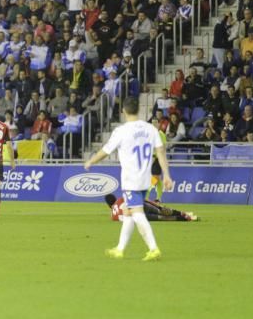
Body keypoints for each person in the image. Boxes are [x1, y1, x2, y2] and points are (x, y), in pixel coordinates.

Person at [84, 97, 174, 261]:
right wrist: (166, 175)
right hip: (145, 179)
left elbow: (105, 151)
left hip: (131, 179)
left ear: (123, 111)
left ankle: (153, 248)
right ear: (138, 109)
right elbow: (161, 152)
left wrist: (91, 161)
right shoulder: (151, 129)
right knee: (127, 211)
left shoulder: (122, 131)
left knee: (137, 213)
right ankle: (120, 249)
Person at [105, 194, 198, 222]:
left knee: (162, 218)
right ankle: (183, 213)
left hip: (139, 216)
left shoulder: (113, 217)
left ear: (109, 205)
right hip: (142, 206)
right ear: (114, 198)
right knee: (163, 211)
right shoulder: (121, 199)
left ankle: (187, 219)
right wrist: (155, 204)